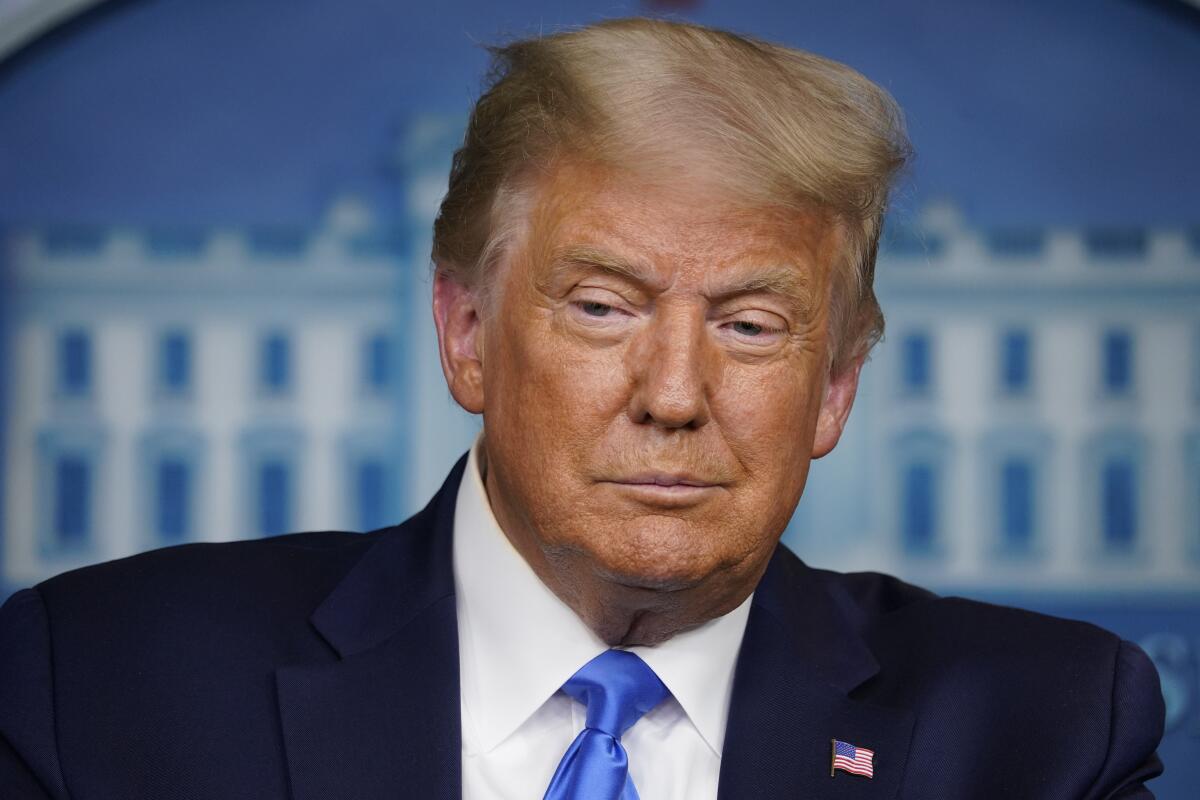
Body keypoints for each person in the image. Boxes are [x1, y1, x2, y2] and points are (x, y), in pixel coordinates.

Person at [0, 17, 1164, 800]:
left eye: (752, 325)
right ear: (466, 336)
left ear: (837, 385)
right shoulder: (103, 684)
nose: (673, 394)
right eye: (604, 306)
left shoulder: (1044, 733)